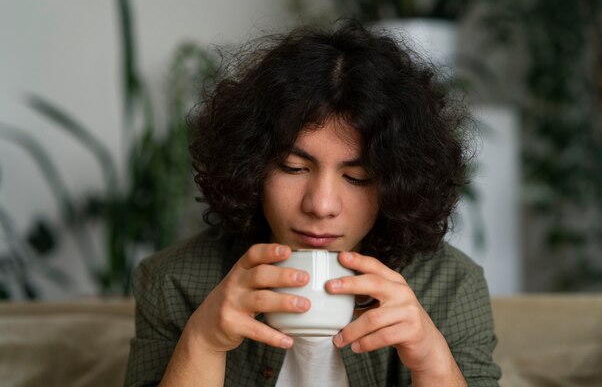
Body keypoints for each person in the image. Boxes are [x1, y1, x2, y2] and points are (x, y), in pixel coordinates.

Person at [124, 21, 501, 387]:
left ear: (396, 182)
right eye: (293, 167)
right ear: (251, 167)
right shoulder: (172, 281)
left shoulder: (450, 285)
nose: (321, 205)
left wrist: (433, 363)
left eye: (356, 177)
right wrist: (203, 342)